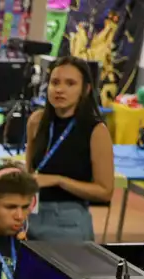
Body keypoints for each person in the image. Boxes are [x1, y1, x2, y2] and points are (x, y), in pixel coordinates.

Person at [26, 56, 113, 242]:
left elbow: (105, 191)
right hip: (29, 214)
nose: (60, 89)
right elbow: (30, 174)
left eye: (70, 83)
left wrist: (59, 181)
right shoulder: (36, 121)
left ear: (85, 89)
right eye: (55, 82)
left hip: (68, 220)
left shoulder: (96, 130)